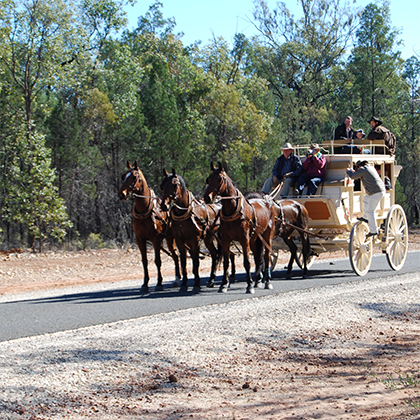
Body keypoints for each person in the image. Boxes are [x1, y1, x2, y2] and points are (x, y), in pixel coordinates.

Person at [346, 160, 386, 238]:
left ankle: (374, 231)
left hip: (375, 192)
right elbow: (359, 174)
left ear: (359, 166)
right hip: (378, 191)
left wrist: (348, 171)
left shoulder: (363, 169)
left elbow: (353, 176)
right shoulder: (369, 168)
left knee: (371, 211)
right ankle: (366, 217)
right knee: (365, 199)